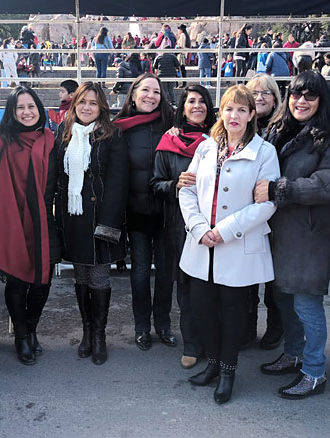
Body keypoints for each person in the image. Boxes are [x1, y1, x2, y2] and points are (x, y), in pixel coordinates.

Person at [256, 71, 330, 399]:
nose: (301, 101)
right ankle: (294, 352)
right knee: (284, 298)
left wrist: (280, 189)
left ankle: (314, 371)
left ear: (321, 100)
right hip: (280, 232)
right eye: (297, 94)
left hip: (312, 235)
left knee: (306, 303)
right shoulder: (279, 128)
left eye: (310, 96)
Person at [179, 85, 280, 404]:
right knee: (202, 308)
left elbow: (267, 203)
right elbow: (187, 190)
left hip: (236, 245)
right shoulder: (206, 148)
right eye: (228, 109)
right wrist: (197, 227)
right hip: (201, 245)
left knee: (233, 311)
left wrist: (225, 230)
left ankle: (227, 371)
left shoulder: (265, 152)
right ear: (219, 112)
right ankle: (211, 363)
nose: (233, 115)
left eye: (241, 109)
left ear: (252, 115)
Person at [0, 87, 59, 366]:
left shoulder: (50, 140)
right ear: (11, 112)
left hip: (45, 220)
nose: (26, 112)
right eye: (19, 107)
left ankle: (31, 329)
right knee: (18, 280)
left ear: (39, 109)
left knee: (42, 281)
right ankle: (21, 336)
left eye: (31, 106)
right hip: (12, 221)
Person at [56, 82, 128, 365]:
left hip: (100, 217)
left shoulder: (112, 134)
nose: (87, 107)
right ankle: (87, 331)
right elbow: (58, 177)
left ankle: (99, 335)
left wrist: (109, 223)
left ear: (102, 108)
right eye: (83, 101)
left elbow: (118, 182)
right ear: (75, 104)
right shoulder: (64, 133)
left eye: (93, 103)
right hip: (73, 216)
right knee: (81, 275)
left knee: (99, 276)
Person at [151, 85, 217, 369]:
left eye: (203, 101)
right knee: (187, 287)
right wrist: (174, 185)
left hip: (216, 225)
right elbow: (155, 185)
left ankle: (214, 342)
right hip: (178, 226)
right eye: (191, 101)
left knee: (214, 286)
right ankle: (191, 343)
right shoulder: (169, 142)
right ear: (183, 106)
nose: (197, 106)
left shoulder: (220, 138)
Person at [114, 74, 175, 352]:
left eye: (156, 92)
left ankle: (163, 325)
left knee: (165, 272)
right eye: (146, 90)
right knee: (139, 272)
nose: (151, 96)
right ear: (134, 93)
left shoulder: (172, 124)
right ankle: (142, 327)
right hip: (136, 212)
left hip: (167, 210)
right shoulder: (119, 128)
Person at [244, 74, 284, 350]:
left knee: (273, 280)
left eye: (266, 93)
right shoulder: (236, 126)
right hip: (243, 213)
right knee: (245, 279)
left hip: (275, 214)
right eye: (255, 92)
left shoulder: (284, 128)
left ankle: (275, 327)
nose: (260, 97)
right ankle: (245, 328)